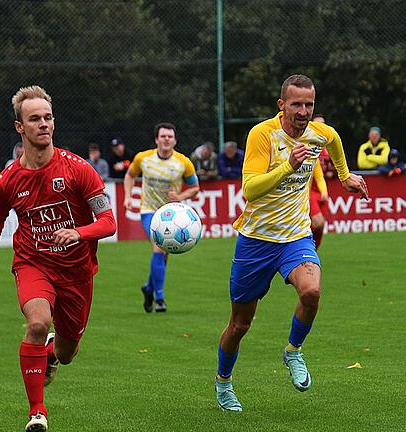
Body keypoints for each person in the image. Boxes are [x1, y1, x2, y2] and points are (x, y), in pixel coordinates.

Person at [214, 74, 369, 413]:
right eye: (296, 104)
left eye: (309, 104)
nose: (303, 111)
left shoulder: (320, 133)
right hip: (255, 240)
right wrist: (288, 165)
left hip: (295, 236)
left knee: (311, 292)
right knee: (240, 324)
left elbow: (335, 140)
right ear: (281, 105)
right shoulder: (262, 135)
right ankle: (223, 383)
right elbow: (250, 190)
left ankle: (293, 351)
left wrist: (345, 177)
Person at [0, 85, 116, 432]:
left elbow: (108, 222)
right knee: (36, 324)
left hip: (77, 271)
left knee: (66, 353)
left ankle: (50, 354)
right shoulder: (7, 181)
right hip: (33, 263)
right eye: (34, 119)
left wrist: (80, 232)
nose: (43, 124)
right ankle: (37, 413)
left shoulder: (79, 170)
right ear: (20, 127)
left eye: (47, 117)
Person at [123, 123, 200, 313]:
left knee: (164, 254)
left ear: (175, 140)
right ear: (156, 139)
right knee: (159, 246)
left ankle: (148, 289)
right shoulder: (143, 158)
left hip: (172, 213)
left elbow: (195, 187)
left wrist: (180, 197)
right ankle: (160, 298)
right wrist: (127, 196)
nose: (166, 139)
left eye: (170, 136)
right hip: (149, 211)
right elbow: (130, 175)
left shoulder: (183, 162)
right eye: (163, 136)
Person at [309, 115, 329, 250]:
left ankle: (313, 251)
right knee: (318, 222)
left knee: (320, 225)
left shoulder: (327, 145)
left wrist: (324, 191)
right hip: (308, 192)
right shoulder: (307, 144)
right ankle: (301, 246)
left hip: (320, 191)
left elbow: (319, 174)